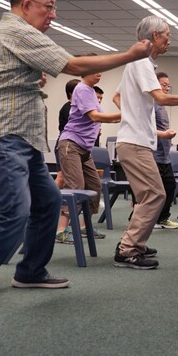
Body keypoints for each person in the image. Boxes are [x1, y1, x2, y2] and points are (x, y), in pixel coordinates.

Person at [0, 0, 151, 310]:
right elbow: (73, 65)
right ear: (26, 5)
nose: (54, 14)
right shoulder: (15, 30)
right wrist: (129, 55)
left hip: (20, 138)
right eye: (49, 6)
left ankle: (30, 271)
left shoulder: (5, 36)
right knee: (15, 209)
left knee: (47, 202)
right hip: (2, 135)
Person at [112, 15, 178, 269]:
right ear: (155, 36)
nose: (170, 40)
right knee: (156, 194)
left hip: (135, 141)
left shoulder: (138, 63)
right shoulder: (142, 62)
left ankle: (133, 245)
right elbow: (161, 98)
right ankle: (127, 249)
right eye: (167, 35)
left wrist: (131, 114)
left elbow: (117, 95)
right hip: (134, 143)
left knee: (149, 195)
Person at [55, 69, 117, 242]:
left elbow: (101, 118)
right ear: (85, 71)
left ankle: (83, 227)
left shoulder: (90, 92)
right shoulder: (81, 89)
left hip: (84, 150)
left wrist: (121, 117)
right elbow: (95, 116)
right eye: (95, 70)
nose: (100, 73)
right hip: (71, 145)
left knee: (94, 187)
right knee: (75, 186)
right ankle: (61, 230)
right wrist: (125, 114)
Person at [152, 71, 178, 230]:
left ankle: (162, 218)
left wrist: (168, 138)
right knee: (154, 191)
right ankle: (149, 219)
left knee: (170, 186)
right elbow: (145, 129)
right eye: (164, 85)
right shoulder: (151, 105)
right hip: (152, 155)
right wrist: (163, 134)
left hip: (164, 156)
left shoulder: (162, 107)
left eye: (168, 85)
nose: (167, 88)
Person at [54, 78, 80, 189]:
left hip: (74, 146)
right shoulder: (68, 108)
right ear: (71, 93)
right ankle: (48, 203)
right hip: (65, 146)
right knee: (61, 177)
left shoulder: (77, 107)